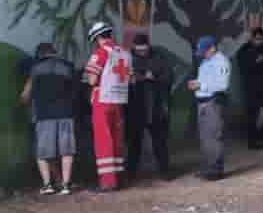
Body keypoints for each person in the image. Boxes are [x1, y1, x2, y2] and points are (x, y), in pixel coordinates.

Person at [22, 43, 77, 196]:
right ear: (54, 53)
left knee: (43, 153)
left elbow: (25, 96)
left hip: (44, 115)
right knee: (67, 151)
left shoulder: (35, 68)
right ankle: (66, 185)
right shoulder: (68, 67)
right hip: (66, 113)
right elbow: (75, 90)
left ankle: (48, 185)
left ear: (40, 54)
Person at [83, 22, 131, 192]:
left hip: (102, 100)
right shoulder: (124, 53)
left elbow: (92, 80)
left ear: (97, 38)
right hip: (118, 100)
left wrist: (89, 79)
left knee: (104, 139)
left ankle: (108, 182)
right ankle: (119, 178)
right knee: (117, 138)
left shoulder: (101, 52)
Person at [126, 33, 173, 178]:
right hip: (135, 107)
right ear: (134, 47)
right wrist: (140, 78)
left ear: (148, 46)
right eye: (138, 50)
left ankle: (165, 172)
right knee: (134, 143)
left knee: (160, 141)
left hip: (156, 106)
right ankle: (131, 173)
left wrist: (154, 78)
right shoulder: (127, 58)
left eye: (144, 50)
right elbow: (123, 78)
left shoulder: (159, 57)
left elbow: (169, 77)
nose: (141, 53)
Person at [188, 36, 232, 181]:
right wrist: (197, 84)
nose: (202, 54)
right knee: (205, 138)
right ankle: (207, 168)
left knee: (213, 137)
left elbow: (222, 85)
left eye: (204, 51)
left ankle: (215, 171)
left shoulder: (221, 62)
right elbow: (206, 81)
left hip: (214, 102)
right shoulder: (205, 61)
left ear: (212, 48)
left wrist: (201, 85)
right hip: (203, 102)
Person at [236, 28, 263, 148]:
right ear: (252, 38)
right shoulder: (244, 50)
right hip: (252, 86)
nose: (259, 41)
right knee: (253, 113)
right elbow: (242, 66)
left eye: (261, 38)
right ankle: (252, 141)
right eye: (257, 39)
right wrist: (255, 61)